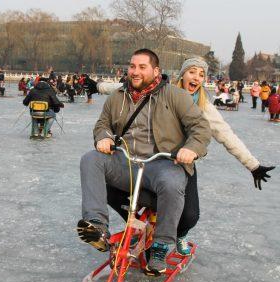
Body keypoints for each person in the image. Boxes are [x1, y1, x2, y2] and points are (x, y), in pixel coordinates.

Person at [84, 57, 276, 258]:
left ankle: (180, 233)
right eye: (192, 72)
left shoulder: (203, 107)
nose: (197, 78)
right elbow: (129, 86)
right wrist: (98, 86)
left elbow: (227, 136)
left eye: (202, 74)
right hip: (150, 160)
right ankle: (138, 225)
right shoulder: (162, 92)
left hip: (180, 164)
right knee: (110, 187)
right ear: (183, 74)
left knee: (189, 215)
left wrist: (253, 166)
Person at [77, 49, 212, 275]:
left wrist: (191, 148)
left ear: (155, 70)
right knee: (91, 159)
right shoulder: (117, 96)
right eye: (132, 66)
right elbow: (102, 125)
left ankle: (160, 245)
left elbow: (201, 127)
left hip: (163, 163)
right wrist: (103, 137)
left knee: (171, 184)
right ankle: (97, 225)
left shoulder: (175, 96)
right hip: (126, 160)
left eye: (142, 67)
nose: (135, 72)